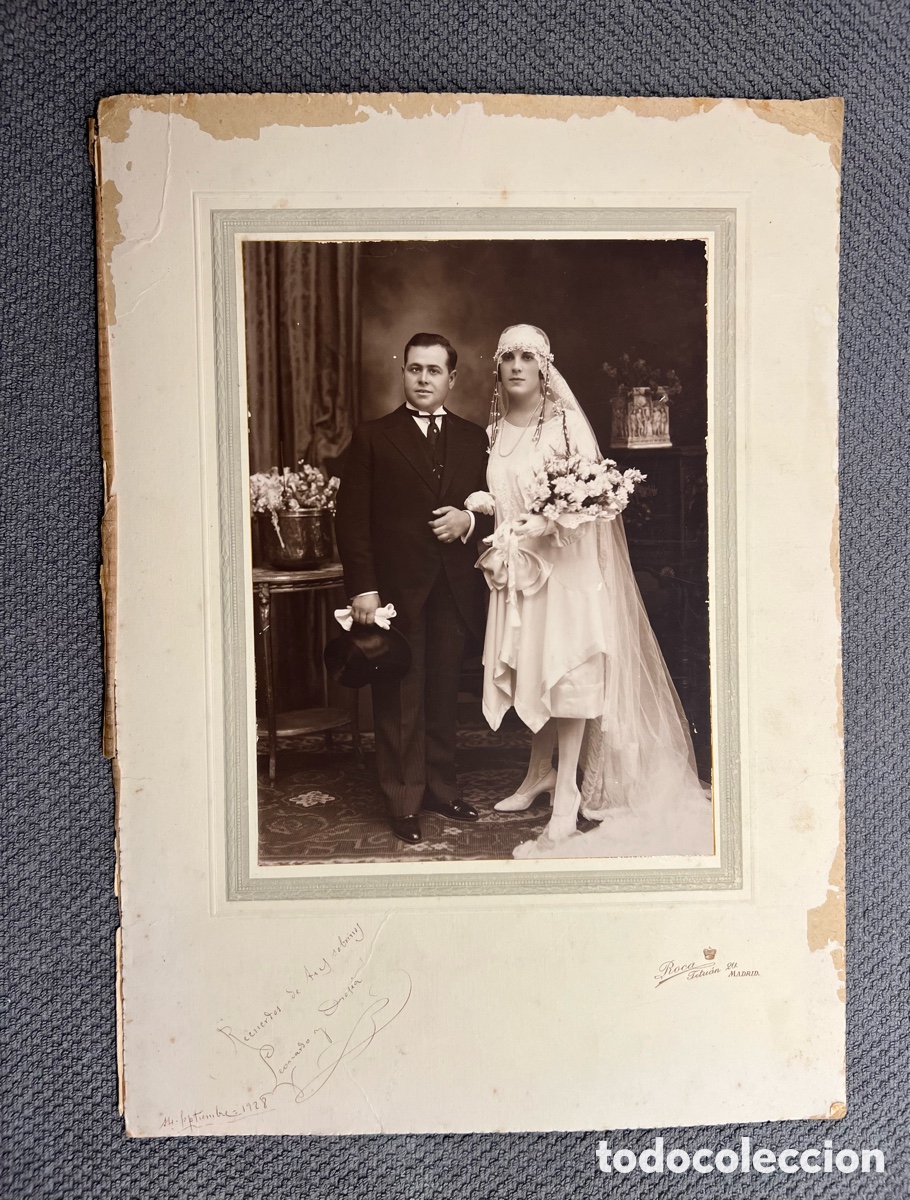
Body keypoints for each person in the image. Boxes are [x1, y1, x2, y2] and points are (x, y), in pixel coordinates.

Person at [477, 324, 713, 859]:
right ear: (498, 366)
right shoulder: (495, 431)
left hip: (567, 572)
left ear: (544, 368)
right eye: (508, 357)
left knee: (567, 672)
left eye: (528, 358)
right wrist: (488, 505)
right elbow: (502, 491)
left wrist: (544, 522)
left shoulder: (565, 427)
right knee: (534, 669)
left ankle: (566, 796)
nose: (516, 366)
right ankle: (539, 772)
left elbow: (594, 501)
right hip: (519, 573)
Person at [334, 333, 492, 845]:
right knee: (401, 693)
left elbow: (500, 510)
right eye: (415, 369)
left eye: (434, 370)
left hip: (454, 587)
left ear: (452, 378)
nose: (423, 379)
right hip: (396, 590)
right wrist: (364, 588)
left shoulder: (475, 439)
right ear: (402, 372)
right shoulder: (373, 436)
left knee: (443, 689)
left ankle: (441, 789)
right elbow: (352, 520)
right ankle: (403, 798)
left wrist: (467, 522)